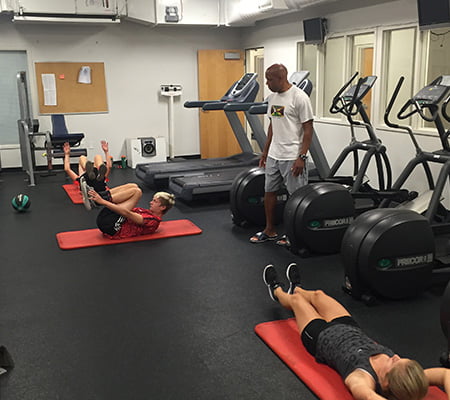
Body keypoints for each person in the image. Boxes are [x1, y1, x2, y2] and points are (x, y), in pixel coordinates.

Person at [262, 263, 450, 400]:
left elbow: (368, 396)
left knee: (297, 303)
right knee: (319, 295)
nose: (395, 356)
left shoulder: (362, 377)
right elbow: (445, 375)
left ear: (386, 383)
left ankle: (277, 291)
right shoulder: (408, 376)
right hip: (350, 328)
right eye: (400, 358)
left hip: (319, 336)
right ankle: (297, 288)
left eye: (394, 362)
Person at [250, 64, 314, 245]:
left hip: (292, 156)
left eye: (269, 80)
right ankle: (269, 230)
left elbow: (308, 130)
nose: (267, 83)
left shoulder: (299, 97)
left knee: (296, 197)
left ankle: (293, 234)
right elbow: (273, 125)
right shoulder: (272, 98)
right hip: (274, 155)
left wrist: (302, 157)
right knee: (269, 192)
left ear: (281, 78)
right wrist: (265, 151)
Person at [87, 184, 175, 239]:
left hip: (112, 228)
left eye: (155, 201)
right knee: (133, 186)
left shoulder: (152, 221)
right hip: (110, 220)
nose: (150, 202)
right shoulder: (147, 212)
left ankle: (98, 200)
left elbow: (126, 213)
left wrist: (102, 202)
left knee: (137, 192)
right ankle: (99, 195)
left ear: (162, 207)